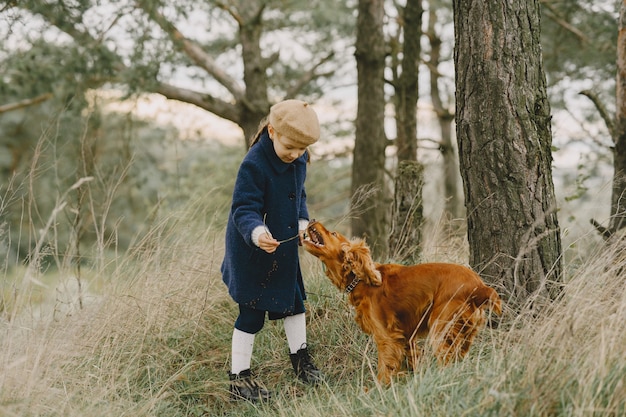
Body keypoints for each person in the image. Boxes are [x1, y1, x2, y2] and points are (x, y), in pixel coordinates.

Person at [221, 99, 323, 402]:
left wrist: (303, 224)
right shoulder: (254, 163)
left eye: (301, 150)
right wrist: (258, 232)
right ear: (272, 131)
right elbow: (243, 208)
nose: (295, 155)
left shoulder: (298, 160)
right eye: (290, 147)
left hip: (285, 250)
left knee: (295, 305)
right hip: (253, 252)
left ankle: (300, 358)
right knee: (251, 315)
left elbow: (299, 196)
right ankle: (239, 379)